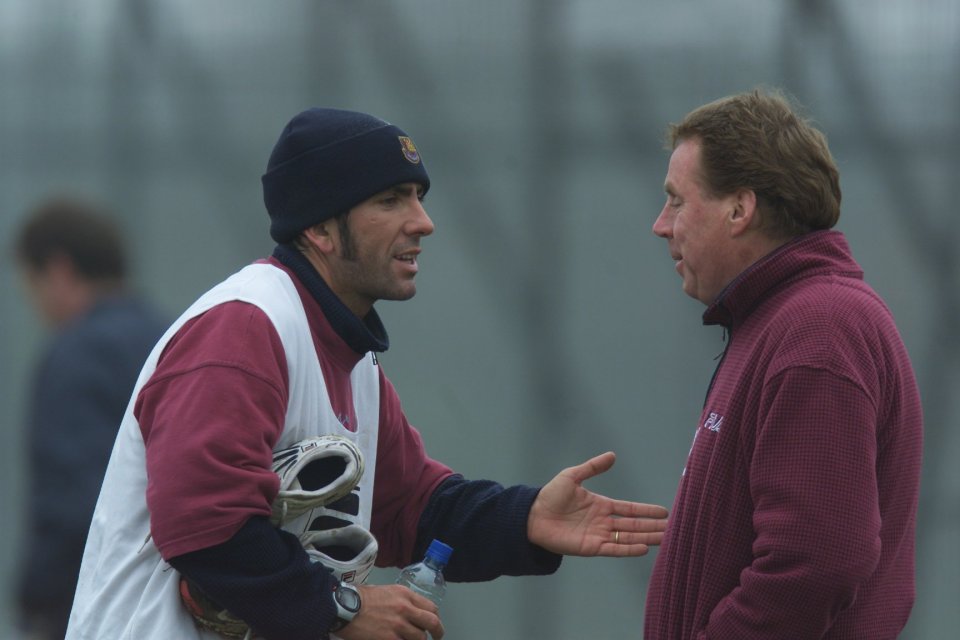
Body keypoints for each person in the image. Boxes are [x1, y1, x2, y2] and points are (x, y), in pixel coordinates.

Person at [66, 107, 669, 640]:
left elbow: (412, 506)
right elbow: (207, 526)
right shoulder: (243, 329)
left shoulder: (349, 354)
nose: (422, 221)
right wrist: (341, 610)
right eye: (391, 199)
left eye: (418, 195)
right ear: (320, 229)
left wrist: (526, 518)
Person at [644, 88, 923, 639]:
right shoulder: (782, 320)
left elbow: (816, 561)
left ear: (740, 209)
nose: (661, 224)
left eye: (677, 200)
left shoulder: (818, 331)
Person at [12, 196, 169, 640]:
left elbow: (76, 505)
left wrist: (37, 601)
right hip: (169, 597)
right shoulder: (171, 337)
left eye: (31, 284)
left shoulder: (76, 353)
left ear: (58, 272)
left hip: (88, 606)